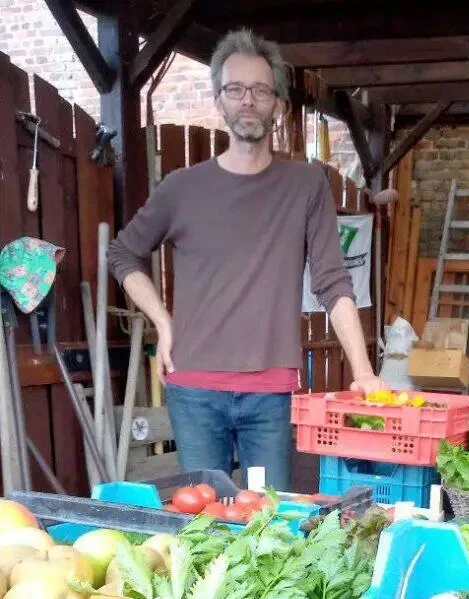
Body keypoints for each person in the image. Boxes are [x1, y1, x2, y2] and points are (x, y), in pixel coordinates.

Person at [108, 29, 380, 490]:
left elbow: (333, 282)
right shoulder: (181, 188)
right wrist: (163, 322)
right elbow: (123, 253)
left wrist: (365, 372)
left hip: (269, 393)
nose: (247, 100)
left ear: (278, 104)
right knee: (204, 523)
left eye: (259, 90)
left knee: (268, 526)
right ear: (219, 100)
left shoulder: (306, 185)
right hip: (193, 388)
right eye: (235, 89)